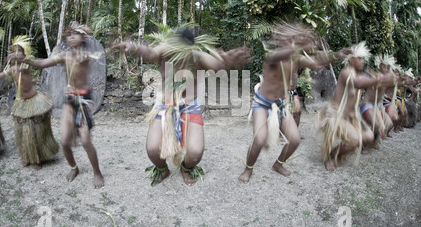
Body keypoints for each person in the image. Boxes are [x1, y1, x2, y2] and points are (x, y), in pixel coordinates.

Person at [111, 27, 249, 186]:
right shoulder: (164, 51)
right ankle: (163, 170)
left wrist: (227, 62)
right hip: (165, 105)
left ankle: (186, 168)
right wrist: (134, 47)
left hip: (190, 106)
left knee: (195, 153)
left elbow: (218, 65)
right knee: (152, 149)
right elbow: (149, 53)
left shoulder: (198, 57)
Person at [238, 22, 351, 183]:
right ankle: (248, 168)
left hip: (282, 104)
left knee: (295, 139)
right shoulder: (272, 55)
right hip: (262, 103)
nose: (291, 41)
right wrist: (299, 43)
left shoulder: (296, 58)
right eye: (289, 38)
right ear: (280, 40)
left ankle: (278, 164)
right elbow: (281, 54)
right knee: (259, 139)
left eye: (293, 38)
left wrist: (337, 55)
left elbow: (315, 62)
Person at [25, 23, 104, 188]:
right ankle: (74, 168)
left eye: (76, 34)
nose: (72, 37)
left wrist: (85, 56)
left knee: (85, 140)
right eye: (69, 35)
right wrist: (27, 60)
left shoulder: (87, 54)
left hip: (83, 100)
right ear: (66, 39)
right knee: (65, 141)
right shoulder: (64, 56)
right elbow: (43, 63)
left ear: (82, 37)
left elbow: (89, 56)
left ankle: (97, 172)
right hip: (70, 100)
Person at [317, 42, 395, 171]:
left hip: (350, 117)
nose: (363, 61)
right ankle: (330, 156)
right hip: (337, 115)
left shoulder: (360, 75)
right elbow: (358, 83)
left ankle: (344, 149)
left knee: (369, 136)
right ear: (351, 59)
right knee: (354, 139)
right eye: (359, 58)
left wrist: (392, 80)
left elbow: (367, 82)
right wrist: (379, 79)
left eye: (364, 58)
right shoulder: (346, 73)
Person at [0, 36, 58, 169]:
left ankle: (37, 159)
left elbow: (26, 61)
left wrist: (18, 58)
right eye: (14, 50)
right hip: (21, 103)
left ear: (25, 53)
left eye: (20, 50)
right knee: (24, 133)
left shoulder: (26, 64)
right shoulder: (12, 69)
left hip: (34, 101)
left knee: (36, 132)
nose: (16, 53)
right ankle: (28, 157)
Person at [359, 54, 397, 150]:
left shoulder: (387, 78)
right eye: (384, 66)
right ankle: (365, 146)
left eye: (388, 67)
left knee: (389, 124)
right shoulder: (376, 76)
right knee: (376, 124)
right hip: (366, 104)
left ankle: (374, 141)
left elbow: (394, 82)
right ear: (379, 66)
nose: (386, 68)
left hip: (377, 105)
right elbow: (381, 83)